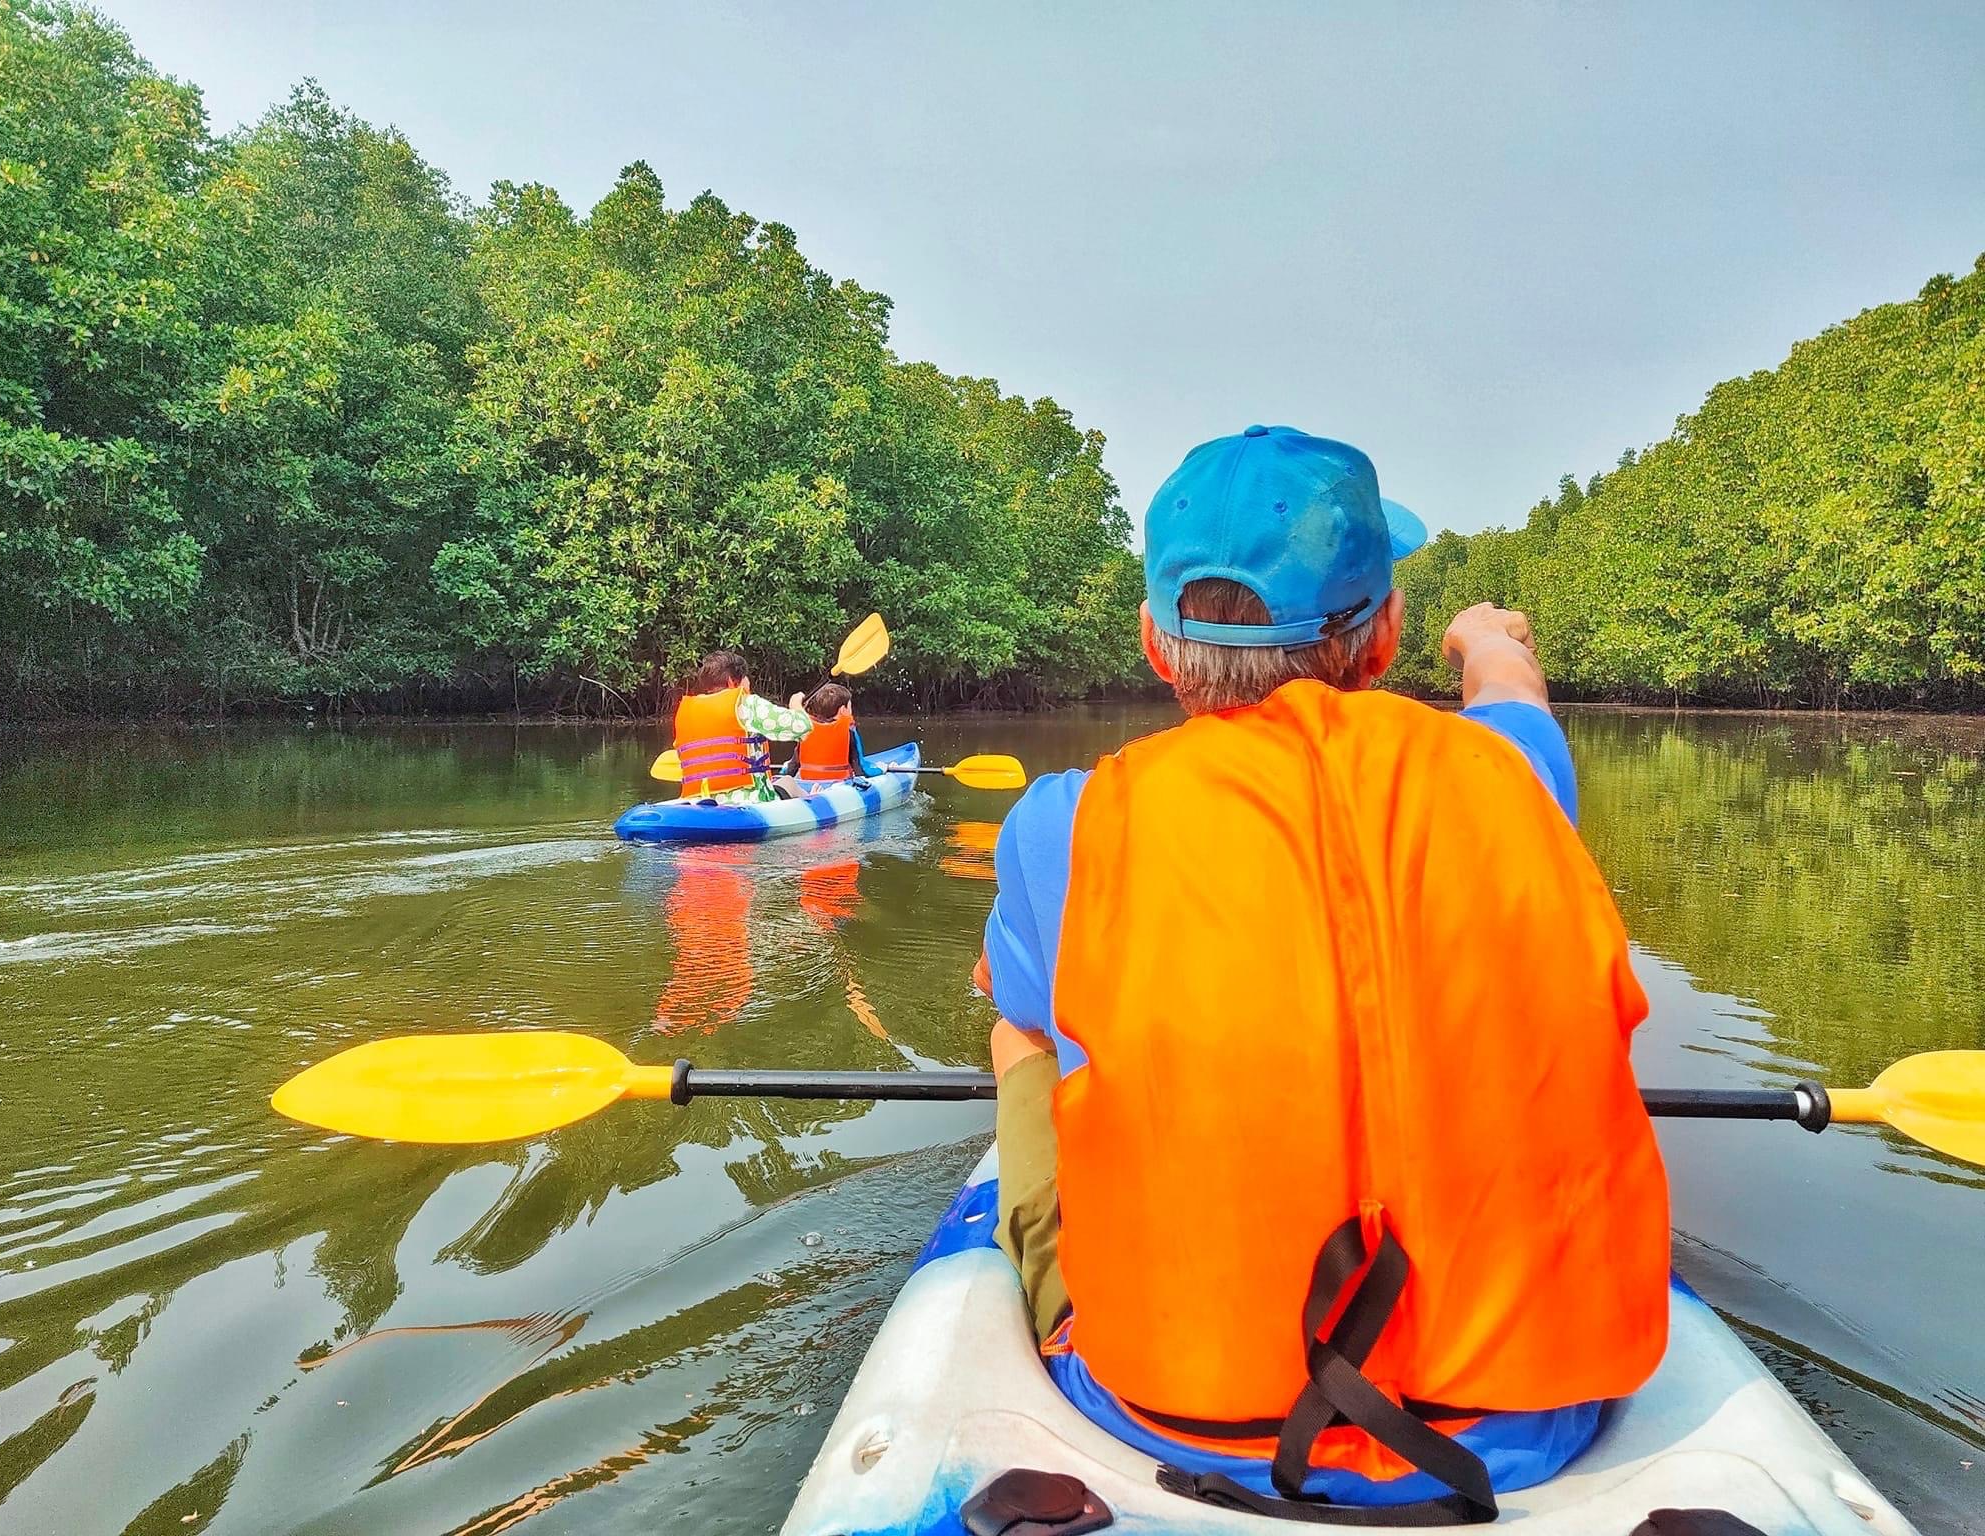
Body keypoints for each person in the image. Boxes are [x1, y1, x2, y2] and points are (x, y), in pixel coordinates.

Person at [976, 425, 1670, 1522]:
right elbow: (1509, 692)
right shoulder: (1512, 783)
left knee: (1018, 1022)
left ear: (1157, 647)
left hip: (1165, 1413)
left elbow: (1024, 1007)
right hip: (1526, 1424)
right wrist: (1485, 637)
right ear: (1384, 637)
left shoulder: (1065, 822)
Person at [671, 650, 811, 803]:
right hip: (748, 803)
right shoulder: (747, 704)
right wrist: (796, 705)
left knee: (784, 782)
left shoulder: (684, 712)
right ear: (732, 681)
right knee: (788, 782)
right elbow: (801, 726)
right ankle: (813, 796)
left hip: (698, 802)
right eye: (745, 678)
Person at [787, 682, 877, 787]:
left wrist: (783, 777)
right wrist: (881, 770)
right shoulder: (848, 729)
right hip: (838, 786)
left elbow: (793, 765)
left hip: (807, 784)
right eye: (850, 706)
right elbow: (860, 766)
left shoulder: (806, 728)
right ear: (843, 710)